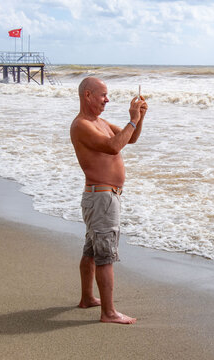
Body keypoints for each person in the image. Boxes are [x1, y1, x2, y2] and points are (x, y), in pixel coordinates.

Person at [70, 77, 147, 324]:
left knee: (92, 250)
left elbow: (129, 139)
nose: (107, 99)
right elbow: (114, 147)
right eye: (103, 95)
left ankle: (88, 298)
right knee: (105, 254)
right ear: (88, 95)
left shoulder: (99, 122)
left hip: (103, 196)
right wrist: (132, 119)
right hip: (101, 197)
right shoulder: (82, 125)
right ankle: (109, 312)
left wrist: (140, 117)